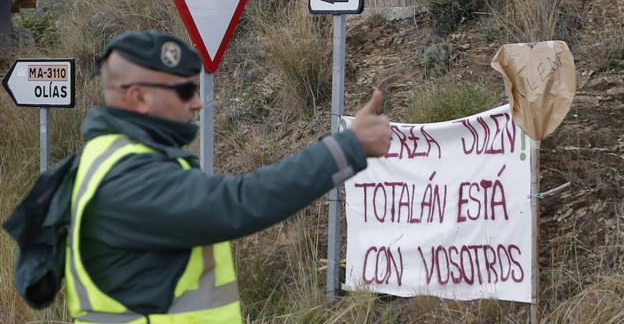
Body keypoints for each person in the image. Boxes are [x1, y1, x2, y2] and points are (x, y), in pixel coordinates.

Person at [4, 30, 391, 324]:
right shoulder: (130, 177)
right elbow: (241, 203)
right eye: (185, 89)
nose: (198, 100)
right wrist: (347, 148)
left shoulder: (107, 157)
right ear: (138, 97)